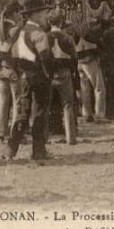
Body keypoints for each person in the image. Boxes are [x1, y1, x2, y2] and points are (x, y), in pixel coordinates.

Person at [4, 0, 55, 162]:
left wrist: (17, 70)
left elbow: (8, 53)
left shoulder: (17, 32)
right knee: (40, 113)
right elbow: (46, 57)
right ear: (36, 14)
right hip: (39, 76)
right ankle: (38, 151)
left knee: (22, 113)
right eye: (44, 12)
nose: (46, 16)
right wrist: (49, 74)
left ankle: (10, 150)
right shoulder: (39, 34)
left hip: (22, 77)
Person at [0, 1, 22, 142]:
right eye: (19, 13)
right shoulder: (16, 29)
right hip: (12, 68)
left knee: (3, 102)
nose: (20, 16)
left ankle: (0, 133)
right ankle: (15, 134)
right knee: (17, 102)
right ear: (14, 13)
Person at [47, 8, 77, 145]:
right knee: (67, 105)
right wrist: (72, 71)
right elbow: (74, 58)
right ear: (62, 22)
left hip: (49, 74)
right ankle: (71, 137)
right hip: (65, 72)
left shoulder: (45, 37)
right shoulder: (67, 38)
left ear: (49, 21)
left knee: (46, 105)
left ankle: (45, 137)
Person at [74, 4, 108, 122]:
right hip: (90, 60)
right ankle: (99, 114)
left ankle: (87, 113)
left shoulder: (75, 33)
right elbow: (101, 46)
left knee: (85, 89)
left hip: (79, 61)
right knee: (99, 88)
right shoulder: (91, 34)